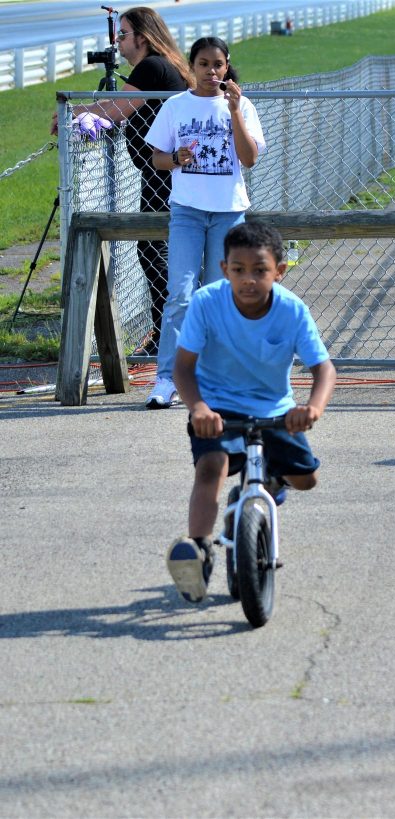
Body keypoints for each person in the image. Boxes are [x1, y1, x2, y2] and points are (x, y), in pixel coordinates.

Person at [166, 222, 337, 604]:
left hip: (274, 408)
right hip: (217, 406)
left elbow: (324, 369)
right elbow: (182, 368)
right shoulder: (207, 303)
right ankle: (198, 551)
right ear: (224, 269)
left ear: (280, 271)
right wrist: (199, 407)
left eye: (260, 270)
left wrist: (312, 408)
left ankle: (268, 487)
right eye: (238, 269)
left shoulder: (292, 310)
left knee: (306, 478)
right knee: (212, 466)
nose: (248, 279)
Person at [50, 7, 191, 356]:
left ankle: (171, 334)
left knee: (153, 249)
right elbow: (116, 106)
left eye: (124, 34)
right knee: (155, 249)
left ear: (142, 37)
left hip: (165, 175)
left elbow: (115, 111)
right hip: (161, 173)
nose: (118, 42)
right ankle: (170, 332)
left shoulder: (152, 66)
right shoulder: (158, 65)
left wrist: (70, 113)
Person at [144, 36, 266, 409]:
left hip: (228, 211)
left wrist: (233, 111)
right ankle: (167, 378)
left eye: (218, 64)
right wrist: (175, 159)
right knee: (180, 294)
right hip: (187, 212)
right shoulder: (176, 106)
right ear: (192, 66)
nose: (211, 72)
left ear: (227, 66)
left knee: (217, 295)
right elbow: (156, 158)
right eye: (203, 64)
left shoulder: (242, 105)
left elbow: (249, 159)